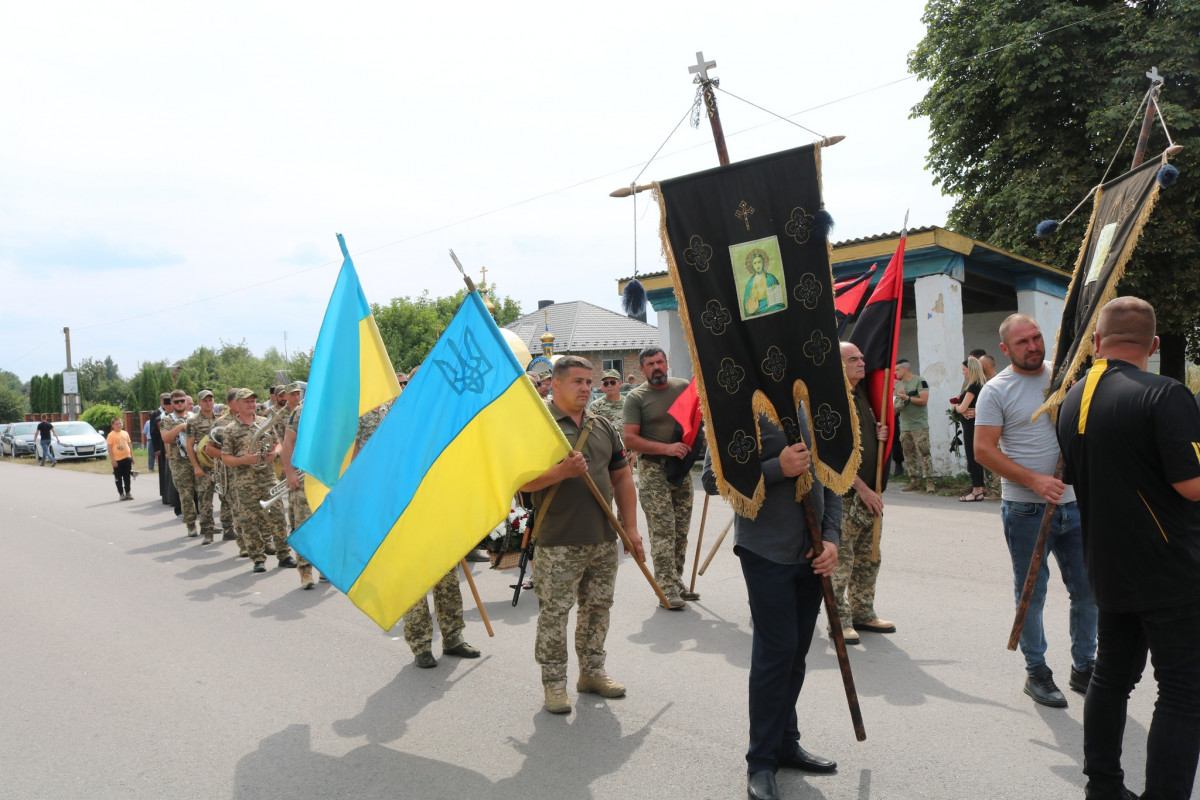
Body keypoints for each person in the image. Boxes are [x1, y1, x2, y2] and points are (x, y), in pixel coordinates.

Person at [1056, 297, 1200, 800]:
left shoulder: (1072, 400)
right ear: (1154, 345)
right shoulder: (1166, 394)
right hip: (1170, 570)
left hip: (1108, 566)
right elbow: (1192, 486)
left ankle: (1104, 786)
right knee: (1183, 692)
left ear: (1097, 342)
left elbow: (1076, 475)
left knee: (1112, 678)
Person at [702, 412, 840, 800]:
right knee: (775, 653)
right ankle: (761, 762)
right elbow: (713, 481)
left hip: (811, 552)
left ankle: (785, 742)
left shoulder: (813, 402)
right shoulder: (738, 408)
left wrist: (832, 539)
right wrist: (776, 469)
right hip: (765, 551)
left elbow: (834, 479)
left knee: (795, 652)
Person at [974, 313, 1097, 709]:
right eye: (1023, 342)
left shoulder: (1064, 378)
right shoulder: (996, 390)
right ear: (1005, 349)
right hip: (1026, 510)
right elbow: (983, 451)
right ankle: (1037, 673)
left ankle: (1084, 668)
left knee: (1087, 591)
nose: (1034, 346)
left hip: (1075, 507)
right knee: (1032, 595)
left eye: (1037, 338)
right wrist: (1034, 480)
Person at [520, 355, 645, 714]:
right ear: (555, 385)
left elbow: (621, 477)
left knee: (597, 609)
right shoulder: (540, 426)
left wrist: (631, 529)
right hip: (558, 538)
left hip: (602, 537)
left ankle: (592, 672)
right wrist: (560, 473)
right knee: (555, 613)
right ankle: (554, 684)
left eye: (589, 382)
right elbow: (523, 483)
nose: (586, 388)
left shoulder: (603, 424)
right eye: (578, 382)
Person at [354, 371, 480, 667]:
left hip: (434, 508)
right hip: (398, 510)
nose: (406, 390)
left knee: (447, 579)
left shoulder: (429, 419)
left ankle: (453, 637)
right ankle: (421, 644)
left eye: (411, 385)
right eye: (402, 385)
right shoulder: (377, 421)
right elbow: (363, 463)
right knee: (413, 580)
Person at [623, 347, 695, 608]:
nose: (657, 367)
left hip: (682, 467)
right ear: (641, 369)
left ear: (668, 363)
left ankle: (675, 579)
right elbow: (629, 439)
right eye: (651, 363)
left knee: (681, 529)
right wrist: (666, 448)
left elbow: (696, 418)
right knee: (663, 528)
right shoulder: (635, 398)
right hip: (653, 469)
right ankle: (665, 587)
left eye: (660, 361)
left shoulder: (683, 387)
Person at [832, 342, 894, 646]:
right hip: (846, 495)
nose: (861, 362)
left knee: (869, 557)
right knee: (841, 559)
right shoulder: (834, 401)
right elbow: (833, 455)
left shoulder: (863, 396)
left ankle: (862, 611)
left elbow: (867, 439)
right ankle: (839, 619)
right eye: (853, 359)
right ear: (839, 365)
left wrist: (879, 432)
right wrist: (863, 489)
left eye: (862, 357)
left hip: (871, 493)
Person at [220, 388, 296, 573]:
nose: (251, 404)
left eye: (253, 401)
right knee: (249, 520)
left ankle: (284, 554)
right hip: (245, 482)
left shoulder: (265, 423)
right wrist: (243, 460)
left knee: (278, 516)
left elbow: (279, 443)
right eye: (247, 401)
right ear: (237, 404)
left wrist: (274, 454)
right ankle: (258, 557)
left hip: (267, 478)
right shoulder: (231, 430)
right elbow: (225, 458)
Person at [279, 382, 318, 588]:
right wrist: (290, 472)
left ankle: (325, 568)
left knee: (326, 525)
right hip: (304, 478)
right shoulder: (301, 412)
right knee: (304, 524)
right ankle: (305, 570)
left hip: (327, 477)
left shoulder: (336, 409)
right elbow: (288, 442)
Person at [161, 390, 198, 537]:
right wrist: (180, 427)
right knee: (186, 494)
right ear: (172, 403)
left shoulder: (194, 417)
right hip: (180, 462)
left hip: (196, 459)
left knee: (203, 492)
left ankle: (208, 525)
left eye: (182, 400)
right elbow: (166, 438)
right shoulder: (168, 420)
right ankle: (191, 524)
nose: (180, 404)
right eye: (176, 402)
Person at [185, 390, 220, 544]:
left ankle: (228, 527)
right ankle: (207, 531)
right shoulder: (193, 422)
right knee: (205, 501)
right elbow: (189, 445)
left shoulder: (220, 420)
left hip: (220, 466)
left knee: (227, 498)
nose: (208, 402)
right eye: (204, 400)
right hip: (203, 467)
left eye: (210, 400)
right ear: (199, 403)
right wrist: (196, 467)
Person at [893, 359, 934, 493]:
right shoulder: (898, 386)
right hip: (905, 426)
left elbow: (923, 400)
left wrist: (907, 398)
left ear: (905, 369)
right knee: (908, 455)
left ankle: (929, 482)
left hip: (919, 426)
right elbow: (895, 407)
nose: (895, 372)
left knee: (924, 453)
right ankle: (914, 481)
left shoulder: (919, 381)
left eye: (897, 369)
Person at [954, 356, 987, 502]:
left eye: (964, 370)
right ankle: (978, 488)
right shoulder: (980, 384)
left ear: (970, 369)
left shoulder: (974, 386)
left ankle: (977, 490)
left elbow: (962, 407)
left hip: (970, 425)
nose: (963, 372)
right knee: (975, 456)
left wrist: (956, 407)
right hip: (973, 423)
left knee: (973, 456)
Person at [742, 249, 785, 317]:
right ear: (752, 266)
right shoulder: (750, 283)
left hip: (772, 309)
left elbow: (779, 301)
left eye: (759, 262)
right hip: (757, 312)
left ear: (763, 263)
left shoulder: (771, 278)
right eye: (755, 263)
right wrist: (754, 293)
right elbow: (746, 310)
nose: (757, 265)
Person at [150, 393, 172, 505]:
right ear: (161, 401)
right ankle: (164, 493)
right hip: (161, 444)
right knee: (164, 470)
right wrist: (157, 448)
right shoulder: (156, 414)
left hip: (168, 444)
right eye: (165, 401)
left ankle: (169, 493)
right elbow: (153, 432)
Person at [107, 417, 133, 501]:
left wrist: (131, 457)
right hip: (117, 460)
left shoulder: (125, 433)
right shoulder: (111, 435)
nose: (119, 425)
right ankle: (121, 493)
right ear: (113, 425)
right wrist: (113, 460)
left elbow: (129, 445)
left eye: (120, 423)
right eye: (116, 424)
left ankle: (128, 492)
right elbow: (110, 448)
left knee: (127, 477)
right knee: (118, 478)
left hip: (127, 458)